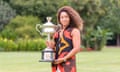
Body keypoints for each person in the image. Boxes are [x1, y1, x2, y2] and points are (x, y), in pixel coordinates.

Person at [46, 6, 83, 72]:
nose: (64, 19)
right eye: (62, 17)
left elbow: (77, 48)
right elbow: (54, 48)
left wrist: (64, 59)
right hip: (56, 65)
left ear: (70, 18)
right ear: (59, 19)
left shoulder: (74, 31)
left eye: (66, 17)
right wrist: (50, 47)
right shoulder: (57, 32)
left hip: (68, 65)